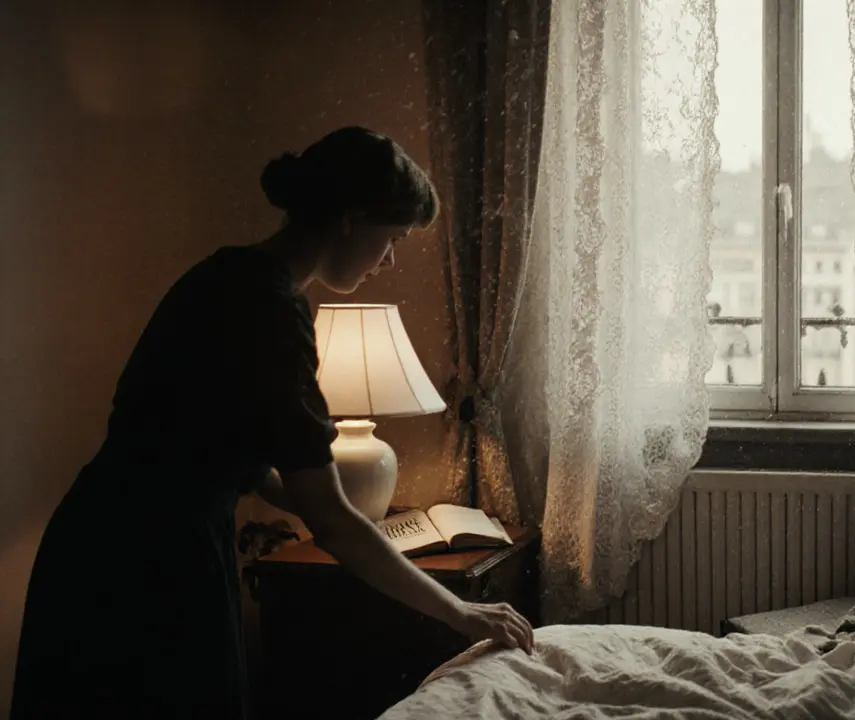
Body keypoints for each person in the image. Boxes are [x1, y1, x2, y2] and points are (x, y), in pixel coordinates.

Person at [11, 127, 534, 719]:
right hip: (152, 565)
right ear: (351, 217)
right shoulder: (272, 313)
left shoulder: (224, 275)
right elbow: (330, 519)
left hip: (97, 537)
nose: (389, 259)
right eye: (392, 238)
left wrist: (355, 514)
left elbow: (241, 458)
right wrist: (459, 611)